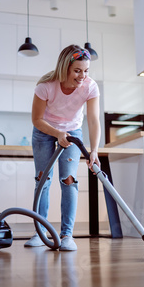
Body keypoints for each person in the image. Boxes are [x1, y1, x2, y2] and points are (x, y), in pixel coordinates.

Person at [24, 44, 101, 251]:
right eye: (77, 70)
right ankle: (40, 233)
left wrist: (93, 150)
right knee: (43, 180)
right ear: (64, 68)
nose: (82, 76)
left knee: (69, 181)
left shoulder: (90, 86)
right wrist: (57, 134)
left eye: (86, 71)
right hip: (44, 131)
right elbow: (36, 119)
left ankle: (67, 235)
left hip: (73, 132)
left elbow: (93, 121)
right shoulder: (46, 86)